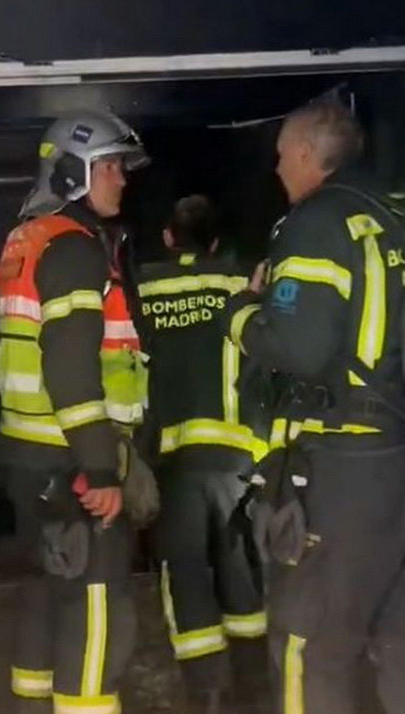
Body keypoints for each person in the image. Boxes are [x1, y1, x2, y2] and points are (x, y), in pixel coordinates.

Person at [223, 98, 405, 714]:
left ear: (306, 155)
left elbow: (298, 350)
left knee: (311, 645)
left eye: (281, 157)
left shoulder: (318, 222)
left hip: (348, 474)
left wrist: (241, 313)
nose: (278, 170)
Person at [0, 109, 150, 714]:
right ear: (71, 174)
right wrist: (103, 470)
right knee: (96, 609)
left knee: (44, 595)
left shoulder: (28, 239)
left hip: (32, 463)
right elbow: (71, 368)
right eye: (110, 166)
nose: (122, 179)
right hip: (74, 468)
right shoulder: (73, 249)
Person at [137, 195, 269, 713]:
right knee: (238, 567)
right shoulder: (243, 282)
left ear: (170, 237)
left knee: (187, 572)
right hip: (236, 459)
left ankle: (207, 697)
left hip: (175, 459)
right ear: (217, 241)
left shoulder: (146, 288)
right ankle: (254, 690)